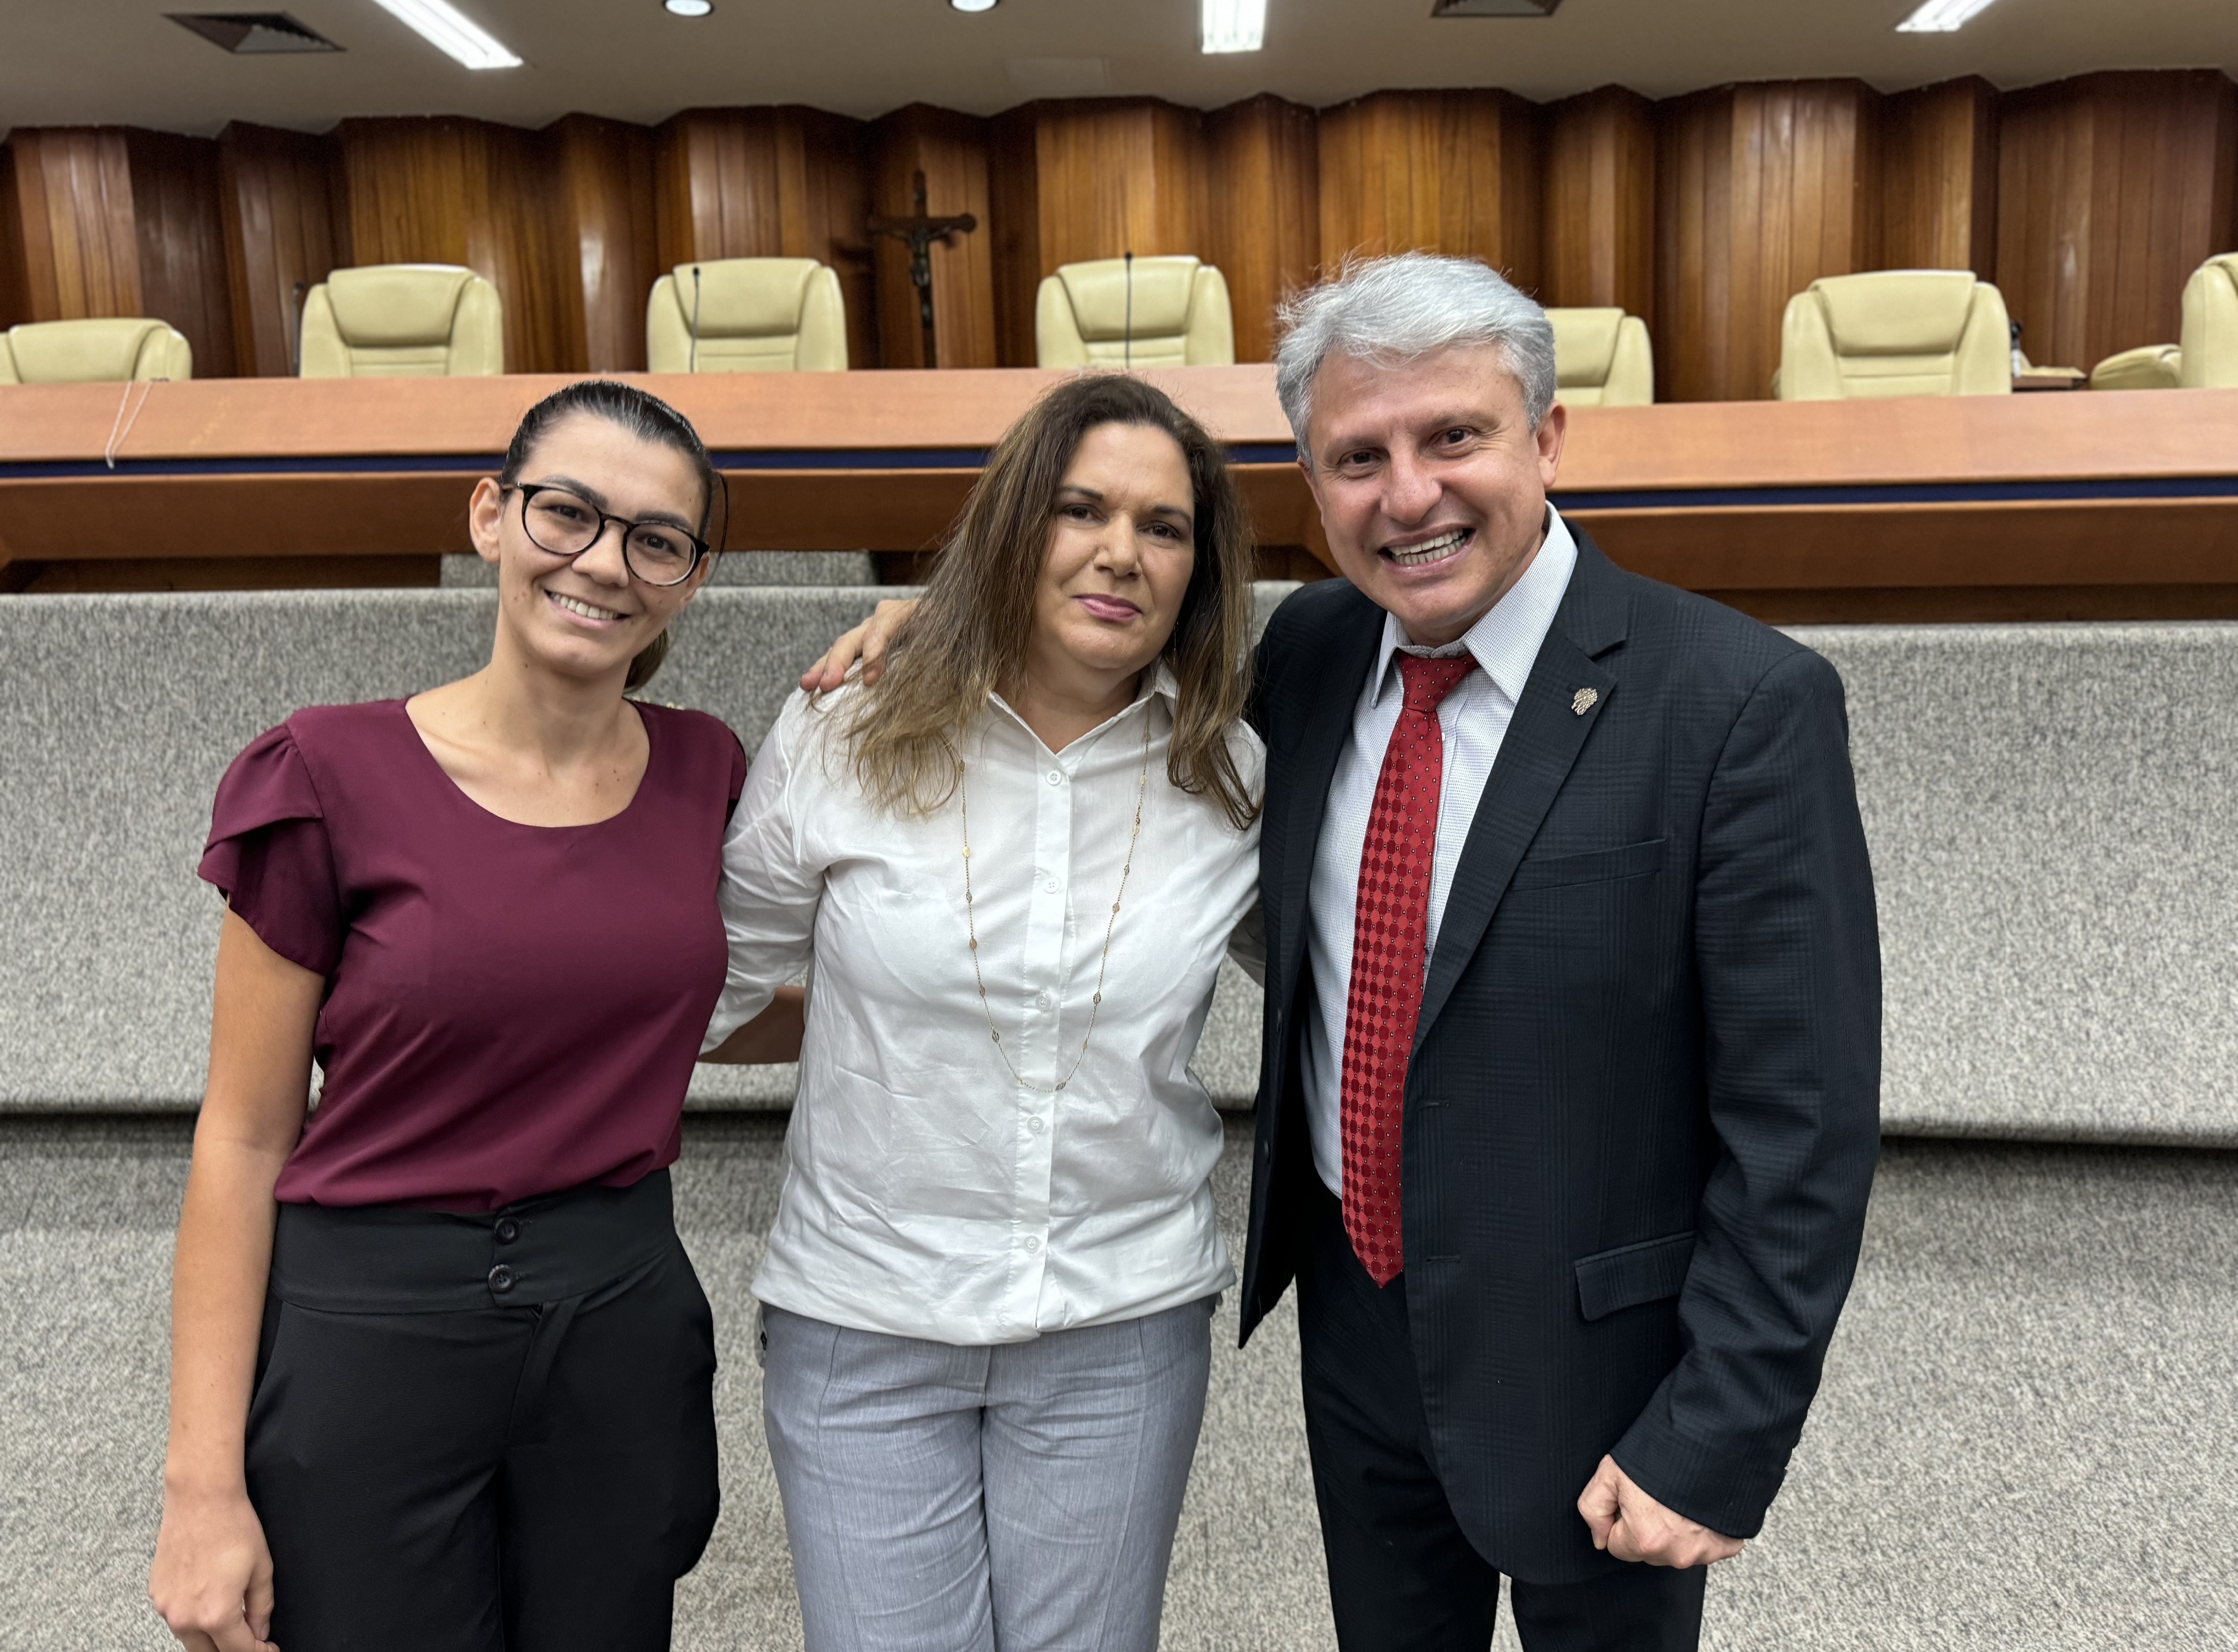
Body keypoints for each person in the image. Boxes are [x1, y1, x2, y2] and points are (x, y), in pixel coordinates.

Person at [807, 254, 1881, 1651]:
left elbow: (1801, 1120)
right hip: (1358, 1325)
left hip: (1600, 1363)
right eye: (1357, 458)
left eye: (1454, 437)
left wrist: (1720, 1432)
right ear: (1312, 488)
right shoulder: (1307, 656)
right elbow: (1097, 685)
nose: (1408, 495)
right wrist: (947, 630)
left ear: (1548, 437)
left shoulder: (1737, 702)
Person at [148, 380, 803, 1652]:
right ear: (491, 516)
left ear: (691, 580)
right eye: (568, 514)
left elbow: (690, 1013)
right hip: (371, 1327)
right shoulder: (324, 773)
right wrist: (200, 1487)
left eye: (655, 540)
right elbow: (242, 1135)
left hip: (617, 1320)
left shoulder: (706, 770)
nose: (603, 563)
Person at [705, 372, 1263, 1652]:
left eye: (1163, 527)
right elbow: (706, 990)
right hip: (866, 1320)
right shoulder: (845, 730)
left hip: (1119, 1323)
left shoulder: (1233, 774)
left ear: (1198, 568)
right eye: (1080, 509)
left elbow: (1344, 990)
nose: (1120, 552)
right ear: (1016, 524)